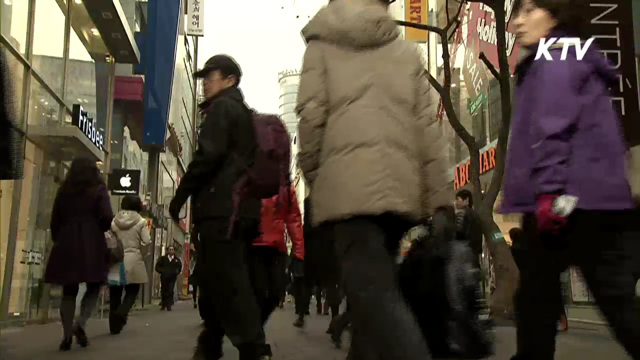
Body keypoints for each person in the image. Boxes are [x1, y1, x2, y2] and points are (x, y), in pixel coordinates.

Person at [296, 0, 449, 358]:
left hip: (349, 192)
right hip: (400, 193)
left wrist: (319, 179)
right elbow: (427, 129)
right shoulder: (406, 52)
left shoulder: (322, 45)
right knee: (370, 303)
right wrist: (439, 198)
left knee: (374, 296)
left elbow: (310, 120)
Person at [503, 0, 640, 358]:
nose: (517, 22)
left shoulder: (556, 58)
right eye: (516, 12)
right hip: (595, 199)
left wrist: (549, 193)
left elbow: (552, 127)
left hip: (566, 202)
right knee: (615, 304)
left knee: (535, 300)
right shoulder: (572, 56)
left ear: (556, 14)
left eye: (528, 10)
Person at [169, 54, 272, 360]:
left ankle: (254, 349)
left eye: (209, 78)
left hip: (222, 209)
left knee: (229, 281)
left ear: (230, 80)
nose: (204, 85)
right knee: (217, 279)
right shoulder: (245, 114)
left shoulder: (223, 108)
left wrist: (180, 196)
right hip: (241, 209)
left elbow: (207, 157)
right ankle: (210, 344)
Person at [43, 156, 114, 351]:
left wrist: (60, 238)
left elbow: (55, 218)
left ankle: (66, 335)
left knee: (69, 288)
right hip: (91, 239)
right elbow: (107, 215)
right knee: (95, 283)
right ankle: (81, 323)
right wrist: (99, 227)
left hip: (67, 239)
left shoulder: (64, 190)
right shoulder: (99, 189)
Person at [251, 184, 304, 326]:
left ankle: (255, 329)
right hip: (251, 244)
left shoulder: (284, 182)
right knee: (257, 291)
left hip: (276, 247)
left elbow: (293, 218)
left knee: (276, 291)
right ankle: (254, 336)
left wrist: (299, 252)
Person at [107, 195, 151, 334]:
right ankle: (122, 312)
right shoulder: (141, 222)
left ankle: (114, 326)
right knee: (132, 291)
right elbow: (146, 241)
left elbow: (108, 238)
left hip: (116, 259)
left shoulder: (114, 221)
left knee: (115, 293)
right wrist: (141, 254)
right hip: (133, 258)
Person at [454, 189, 484, 267]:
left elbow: (458, 233)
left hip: (464, 254)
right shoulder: (475, 214)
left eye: (458, 199)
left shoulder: (462, 213)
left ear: (466, 200)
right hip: (474, 253)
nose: (456, 202)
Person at [154, 246, 182, 311]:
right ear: (167, 251)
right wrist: (162, 271)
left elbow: (179, 267)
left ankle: (169, 305)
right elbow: (157, 266)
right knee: (164, 290)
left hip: (172, 278)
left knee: (170, 290)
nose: (171, 251)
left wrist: (176, 272)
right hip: (164, 277)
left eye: (172, 249)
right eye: (170, 249)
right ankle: (163, 304)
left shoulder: (176, 260)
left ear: (174, 251)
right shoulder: (163, 259)